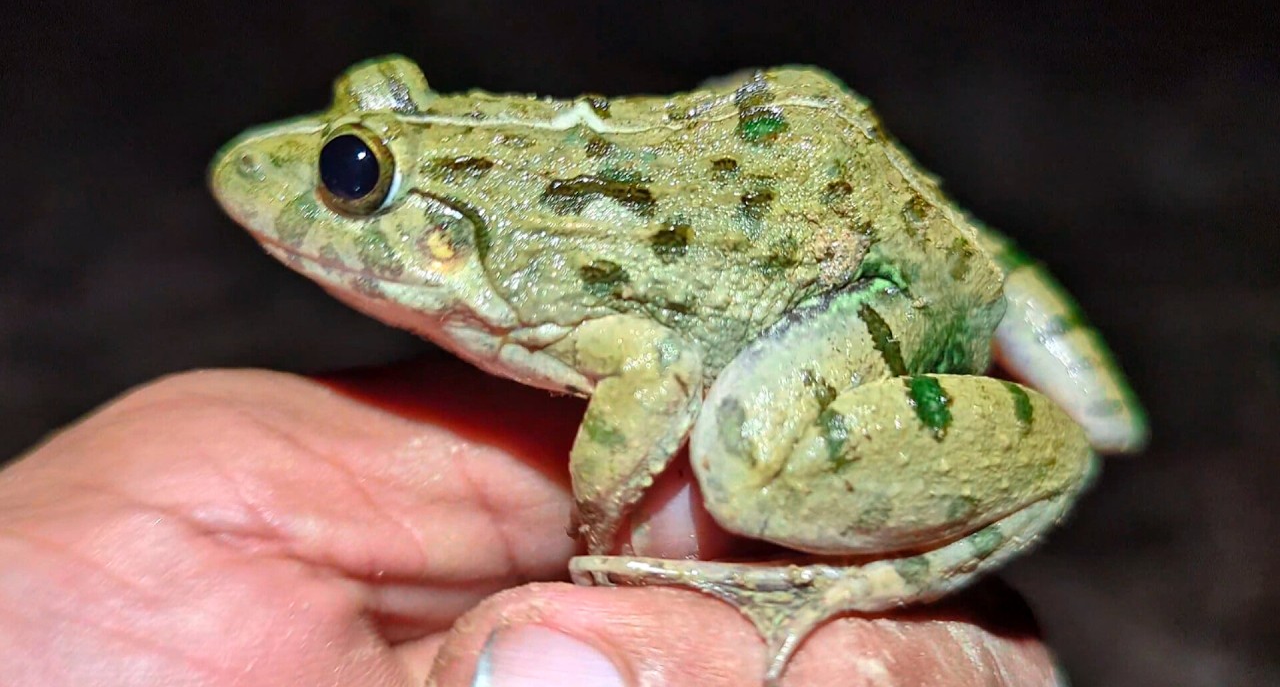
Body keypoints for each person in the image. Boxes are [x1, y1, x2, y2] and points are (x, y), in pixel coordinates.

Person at [0, 359, 1063, 686]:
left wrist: (600, 534)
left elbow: (644, 385)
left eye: (353, 180)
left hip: (848, 298)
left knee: (741, 487)